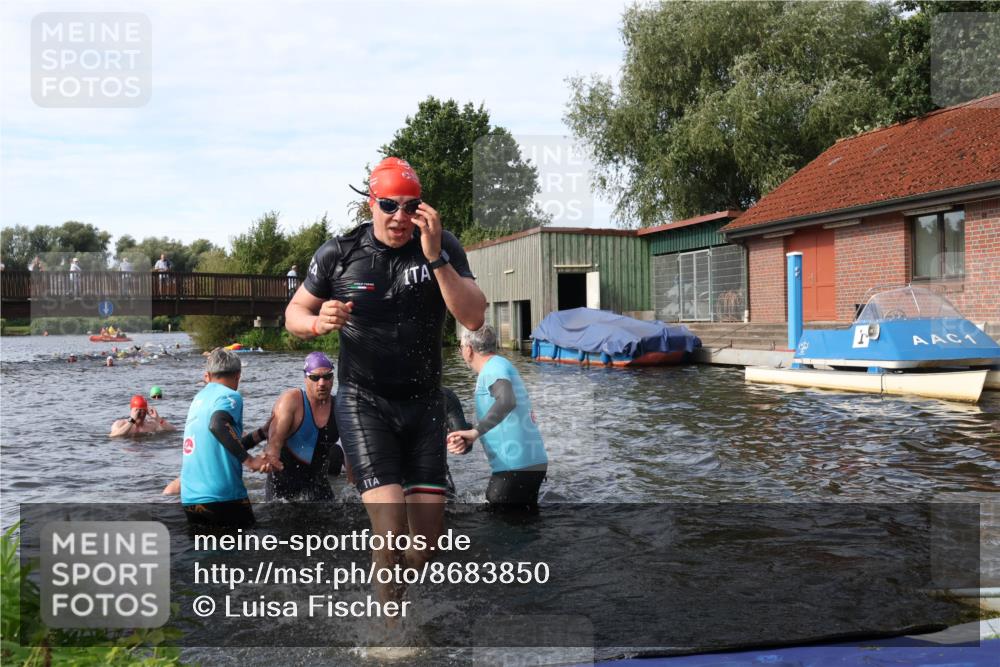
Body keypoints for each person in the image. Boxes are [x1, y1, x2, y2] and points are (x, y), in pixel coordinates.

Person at [284, 157, 486, 590]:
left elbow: (473, 318)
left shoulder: (442, 245)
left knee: (427, 544)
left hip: (424, 402)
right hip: (364, 401)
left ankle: (391, 585)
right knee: (389, 526)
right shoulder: (339, 253)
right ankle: (388, 629)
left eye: (411, 207)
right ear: (371, 204)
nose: (400, 218)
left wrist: (435, 260)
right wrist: (317, 323)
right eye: (390, 205)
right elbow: (293, 313)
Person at [447, 325, 548, 510]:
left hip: (515, 467)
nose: (461, 351)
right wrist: (468, 435)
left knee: (500, 530)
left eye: (460, 347)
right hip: (528, 463)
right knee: (523, 527)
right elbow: (501, 416)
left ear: (469, 349)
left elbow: (507, 401)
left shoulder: (493, 369)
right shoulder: (499, 365)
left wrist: (476, 432)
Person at [178, 348, 270, 527]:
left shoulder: (199, 398)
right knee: (246, 549)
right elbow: (218, 425)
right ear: (238, 376)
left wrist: (261, 434)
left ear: (208, 375)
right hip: (222, 497)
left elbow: (225, 445)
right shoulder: (229, 395)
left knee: (208, 552)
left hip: (191, 498)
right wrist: (250, 461)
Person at [262, 352, 344, 501]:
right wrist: (271, 455)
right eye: (315, 377)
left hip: (317, 484)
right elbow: (275, 441)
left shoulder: (340, 406)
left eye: (327, 376)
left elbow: (352, 450)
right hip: (282, 488)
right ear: (305, 378)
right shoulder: (291, 401)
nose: (322, 383)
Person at [109, 395, 177, 436]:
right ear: (132, 410)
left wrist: (158, 418)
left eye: (143, 410)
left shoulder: (151, 424)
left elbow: (173, 430)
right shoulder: (120, 424)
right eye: (138, 411)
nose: (141, 413)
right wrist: (132, 420)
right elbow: (113, 436)